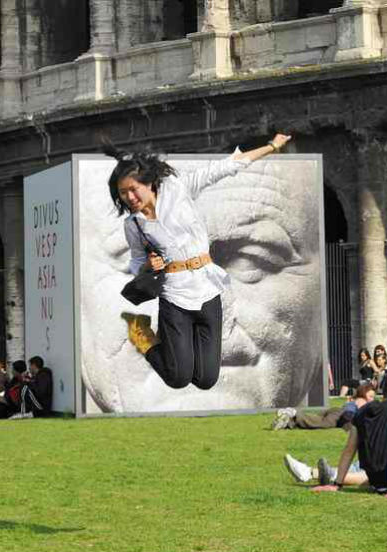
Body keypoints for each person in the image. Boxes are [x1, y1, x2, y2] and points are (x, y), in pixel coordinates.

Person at [112, 133, 292, 394]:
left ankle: (182, 350)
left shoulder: (178, 188)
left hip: (208, 289)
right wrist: (149, 266)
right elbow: (137, 263)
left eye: (133, 189)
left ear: (149, 183)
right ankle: (142, 335)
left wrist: (271, 147)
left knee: (206, 380)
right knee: (177, 378)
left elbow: (228, 166)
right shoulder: (133, 225)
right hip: (173, 294)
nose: (129, 197)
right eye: (122, 193)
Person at [272, 383, 375, 431]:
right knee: (322, 423)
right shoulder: (361, 401)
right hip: (339, 414)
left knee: (314, 420)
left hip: (336, 411)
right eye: (370, 396)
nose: (372, 399)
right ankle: (294, 412)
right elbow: (349, 412)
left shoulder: (357, 400)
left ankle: (287, 423)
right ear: (363, 394)